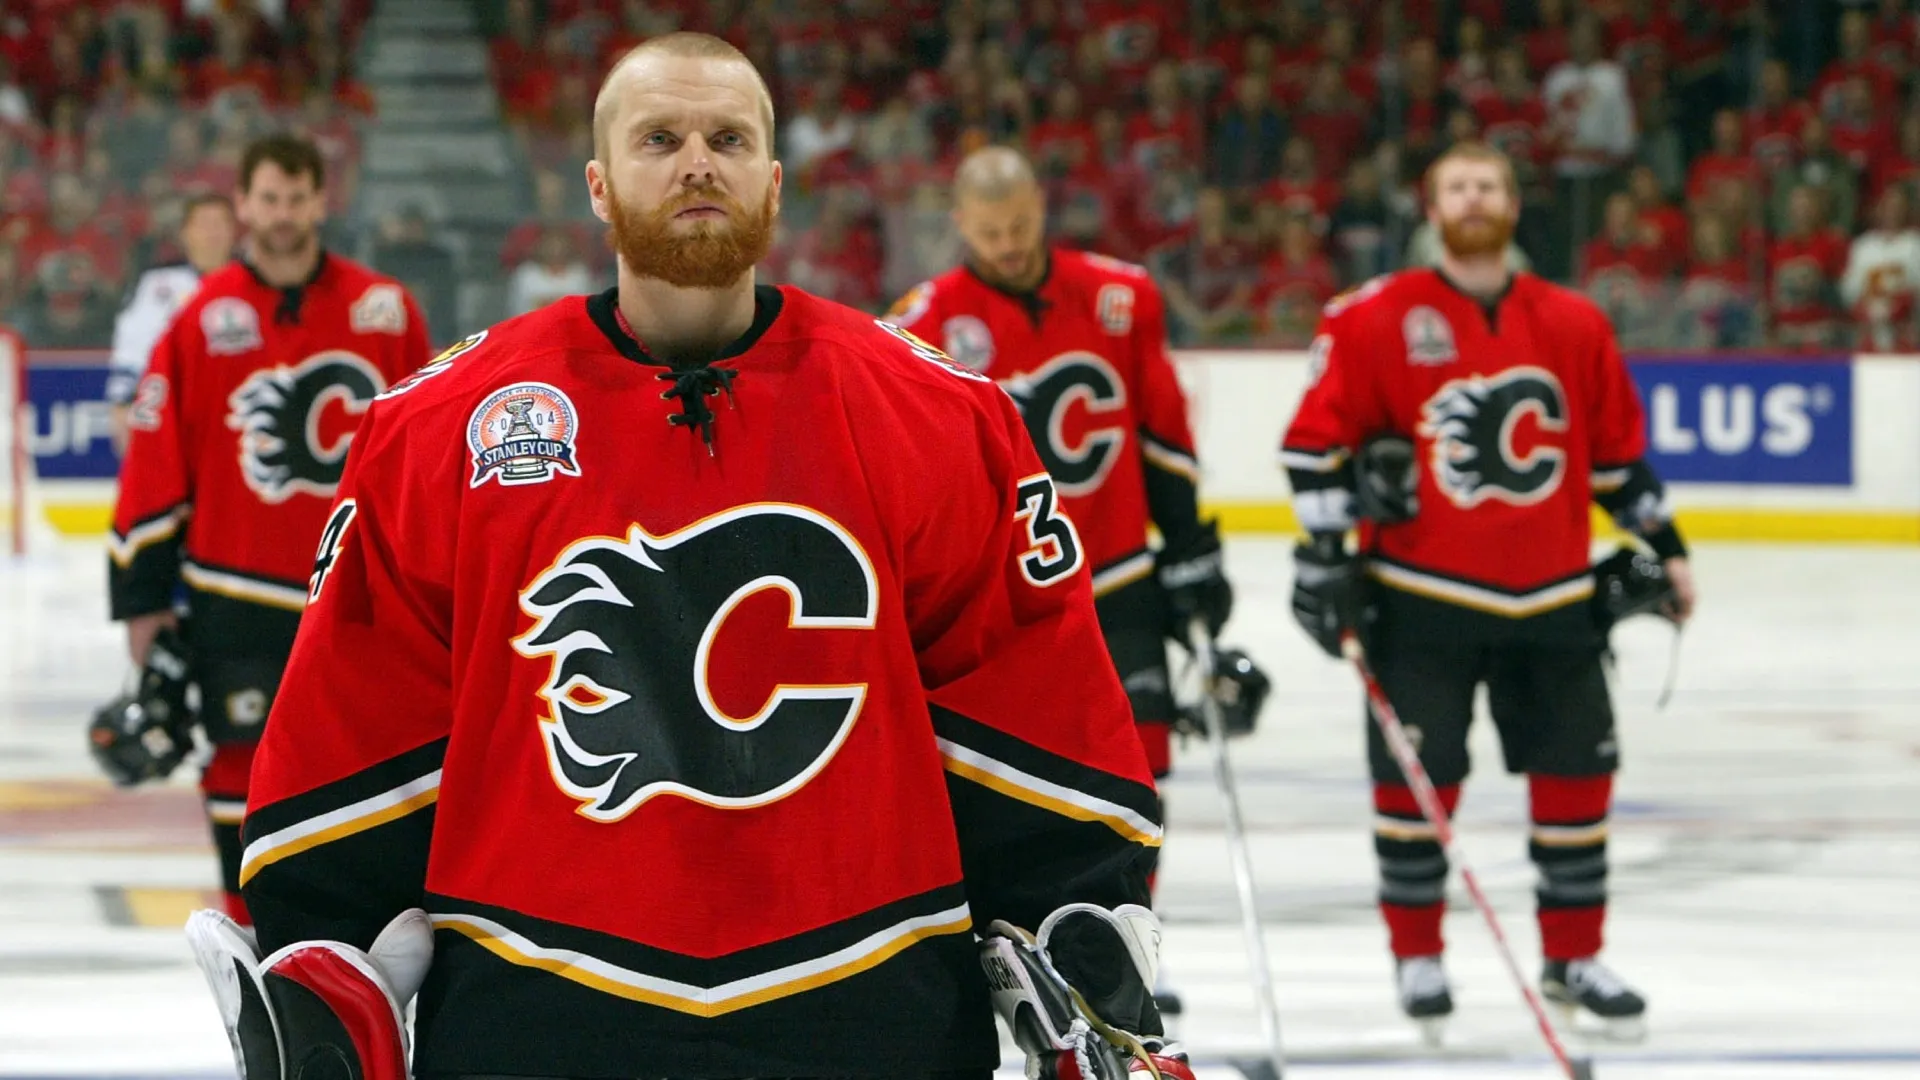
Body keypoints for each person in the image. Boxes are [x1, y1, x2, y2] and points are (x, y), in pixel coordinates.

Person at [191, 34, 1186, 1080]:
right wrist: (327, 962)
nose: (696, 162)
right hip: (535, 1005)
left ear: (772, 179)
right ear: (599, 184)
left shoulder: (939, 415)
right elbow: (358, 712)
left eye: (727, 137)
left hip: (871, 1002)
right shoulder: (438, 428)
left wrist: (1082, 953)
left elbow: (1028, 694)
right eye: (658, 138)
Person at [1280, 142, 1696, 1038]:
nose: (1474, 199)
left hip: (1555, 599)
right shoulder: (1369, 319)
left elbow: (1618, 454)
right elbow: (1312, 446)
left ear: (1515, 201)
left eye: (1490, 185)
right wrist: (1325, 555)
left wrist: (1669, 547)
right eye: (1457, 186)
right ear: (1430, 206)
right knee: (1418, 787)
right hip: (1420, 598)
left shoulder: (1576, 321)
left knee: (1578, 779)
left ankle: (1575, 956)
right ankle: (1418, 955)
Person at [104, 134, 430, 923]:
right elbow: (154, 461)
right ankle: (252, 952)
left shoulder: (383, 310)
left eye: (297, 198)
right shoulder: (202, 317)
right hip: (233, 598)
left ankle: (356, 961)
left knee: (372, 774)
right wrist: (142, 602)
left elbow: (429, 454)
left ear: (321, 202)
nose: (283, 216)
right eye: (269, 199)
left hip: (356, 592)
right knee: (239, 777)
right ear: (243, 205)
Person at [887, 146, 1233, 791]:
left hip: (1120, 576)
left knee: (1142, 767)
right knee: (1024, 783)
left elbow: (1163, 436)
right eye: (990, 232)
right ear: (961, 223)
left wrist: (1188, 544)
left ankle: (1133, 900)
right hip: (1005, 596)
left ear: (1040, 207)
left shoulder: (1120, 296)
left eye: (1019, 225)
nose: (1008, 244)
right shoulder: (921, 325)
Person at [106, 192, 237, 446]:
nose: (213, 233)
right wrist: (122, 402)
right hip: (171, 413)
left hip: (233, 413)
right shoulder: (157, 284)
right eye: (203, 224)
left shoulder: (253, 285)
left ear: (234, 231)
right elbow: (133, 347)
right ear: (185, 232)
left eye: (220, 224)